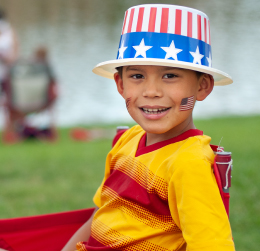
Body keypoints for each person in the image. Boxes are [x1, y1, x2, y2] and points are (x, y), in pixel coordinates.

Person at [63, 4, 235, 251]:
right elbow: (101, 213)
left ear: (202, 87)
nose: (151, 92)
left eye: (170, 76)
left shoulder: (188, 163)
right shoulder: (128, 139)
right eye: (137, 76)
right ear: (120, 84)